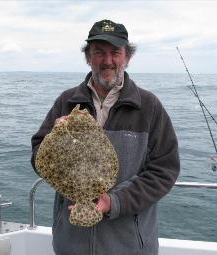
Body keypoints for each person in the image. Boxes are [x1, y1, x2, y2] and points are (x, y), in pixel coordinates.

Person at [31, 19, 180, 255]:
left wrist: (115, 201)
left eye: (115, 53)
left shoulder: (149, 106)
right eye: (99, 53)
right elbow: (38, 154)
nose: (107, 60)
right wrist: (54, 137)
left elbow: (165, 169)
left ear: (127, 57)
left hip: (129, 247)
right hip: (71, 245)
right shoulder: (66, 101)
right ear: (89, 57)